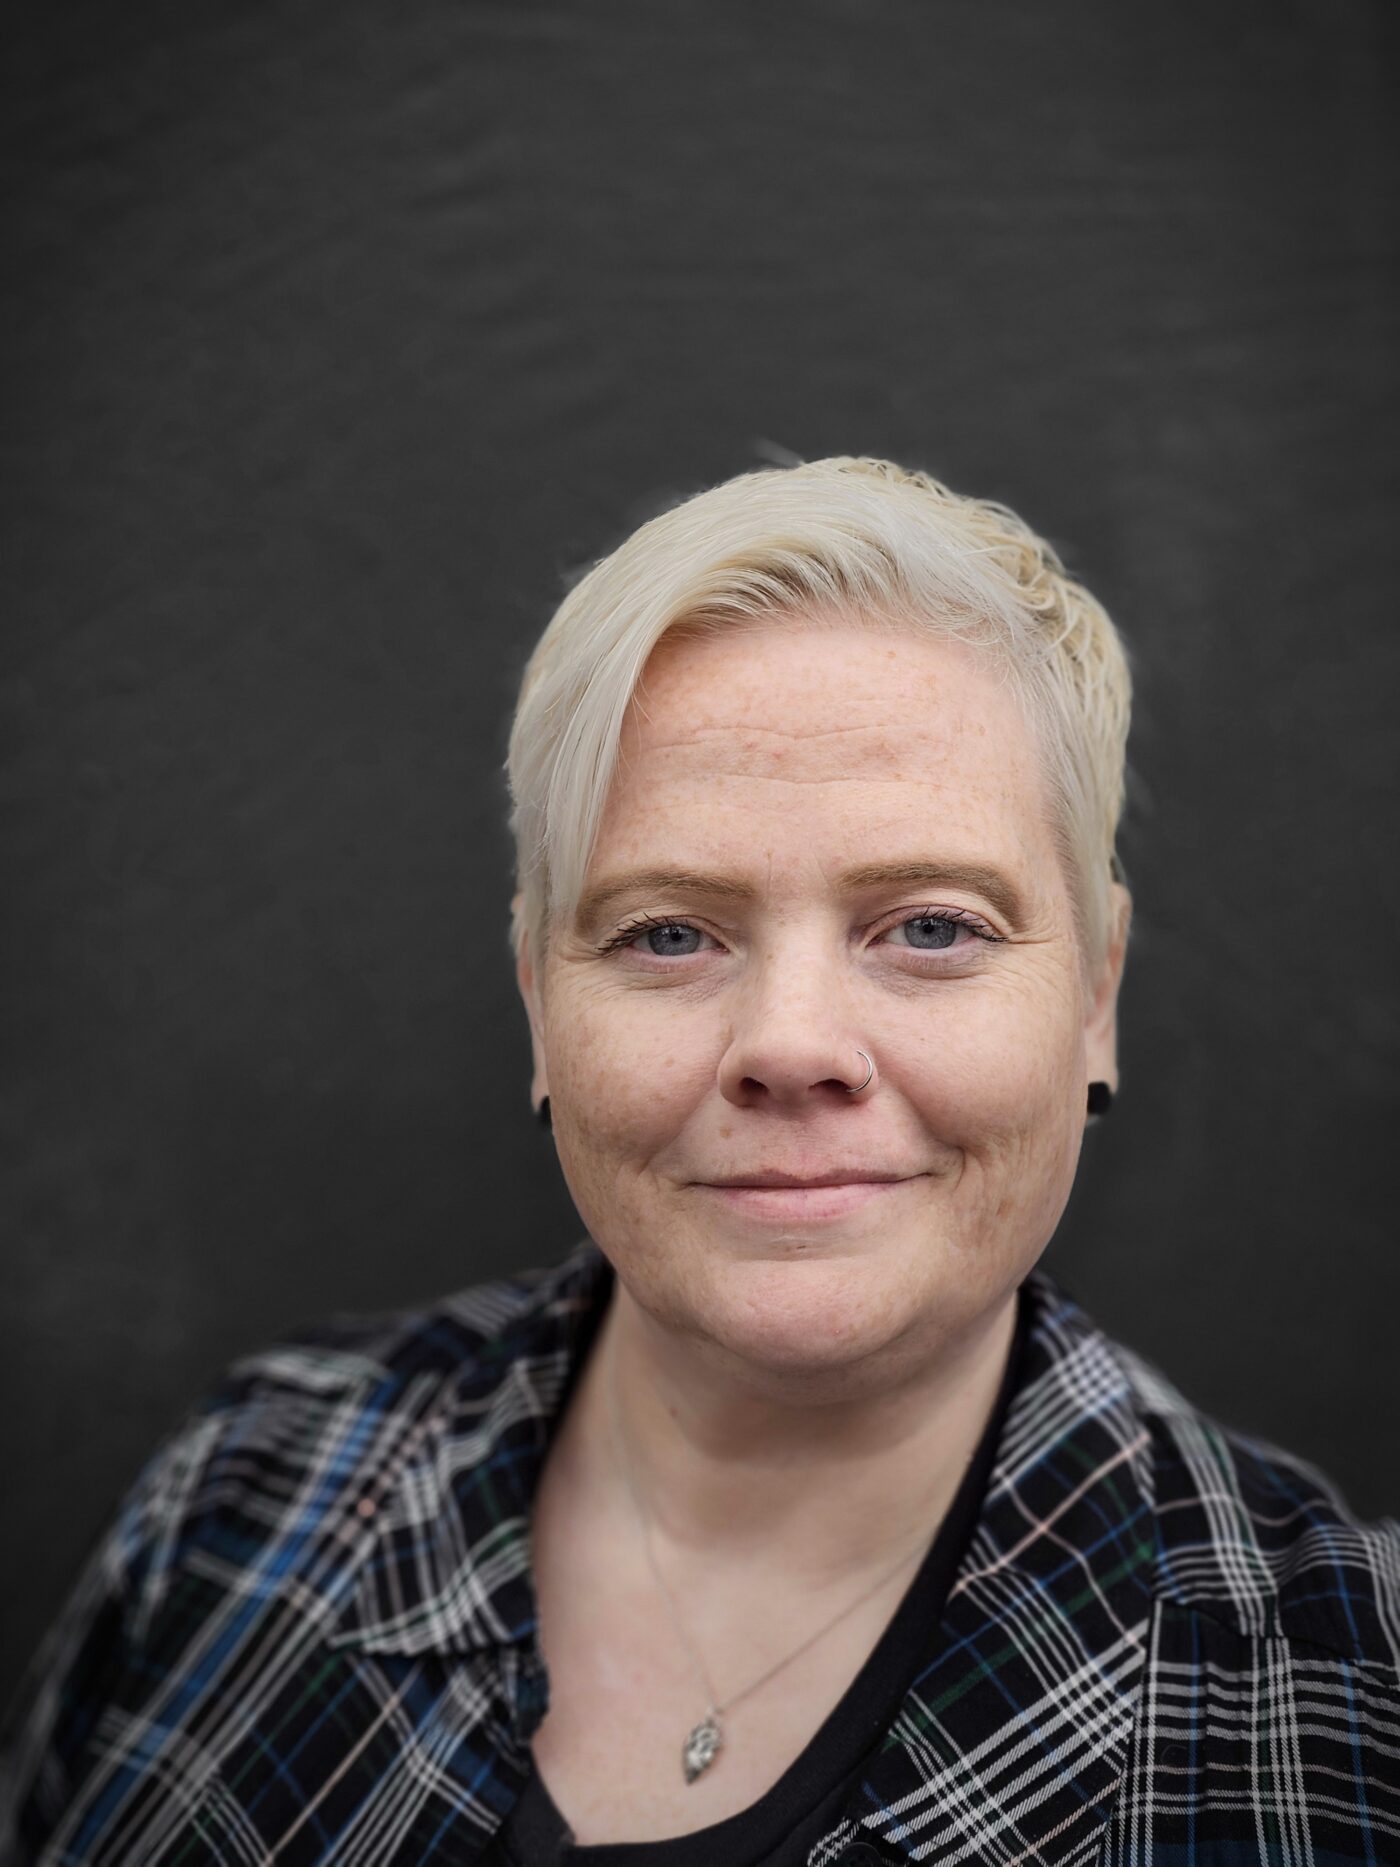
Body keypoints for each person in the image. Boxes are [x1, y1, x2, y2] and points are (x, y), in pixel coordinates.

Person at [3, 457, 1397, 1867]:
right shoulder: (241, 1497)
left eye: (931, 927)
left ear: (1096, 994)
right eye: (668, 934)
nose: (791, 1046)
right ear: (540, 1005)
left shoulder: (1346, 1704)